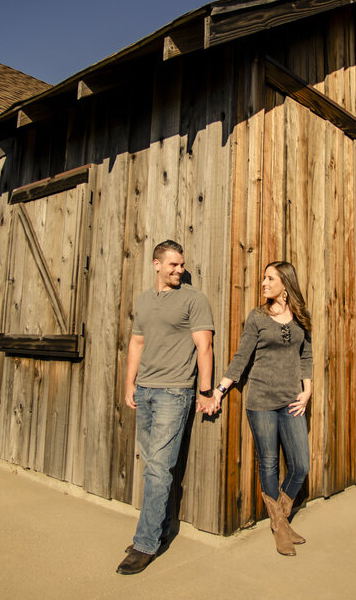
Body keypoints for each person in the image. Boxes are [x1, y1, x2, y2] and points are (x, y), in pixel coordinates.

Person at [116, 239, 218, 576]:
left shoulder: (194, 299)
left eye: (182, 264)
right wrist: (130, 384)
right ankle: (157, 528)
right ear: (157, 264)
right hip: (145, 391)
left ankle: (145, 543)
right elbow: (136, 343)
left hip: (174, 393)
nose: (179, 270)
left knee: (159, 467)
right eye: (173, 264)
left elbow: (205, 347)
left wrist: (205, 391)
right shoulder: (145, 300)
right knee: (153, 465)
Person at [213, 260, 312, 556]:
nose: (264, 283)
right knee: (267, 462)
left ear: (285, 284)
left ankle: (279, 517)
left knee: (301, 465)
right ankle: (279, 527)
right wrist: (220, 390)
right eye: (264, 278)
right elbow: (242, 357)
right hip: (260, 401)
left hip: (292, 400)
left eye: (270, 278)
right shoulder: (257, 316)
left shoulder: (300, 319)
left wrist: (307, 391)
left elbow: (306, 355)